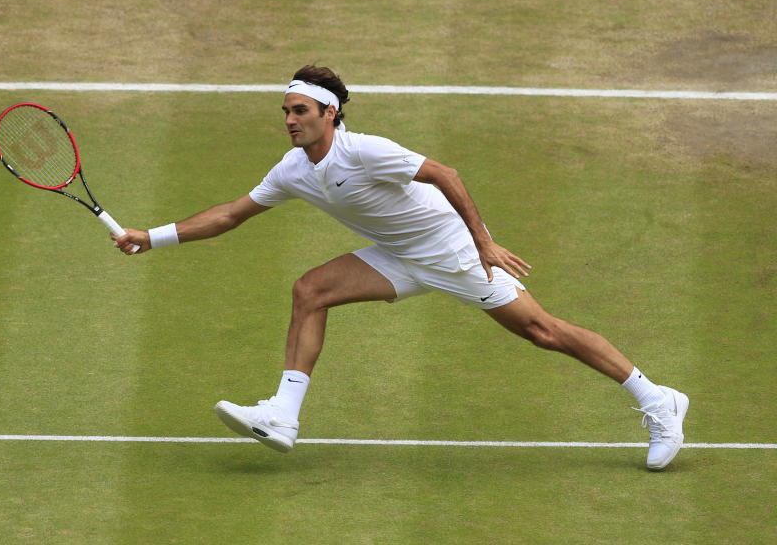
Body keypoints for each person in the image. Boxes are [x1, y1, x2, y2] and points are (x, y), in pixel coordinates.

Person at [112, 65, 689, 470]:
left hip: (450, 251)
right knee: (310, 290)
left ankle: (657, 402)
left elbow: (446, 174)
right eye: (285, 111)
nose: (289, 120)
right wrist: (153, 238)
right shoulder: (291, 169)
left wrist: (482, 243)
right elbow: (231, 215)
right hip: (399, 256)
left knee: (543, 332)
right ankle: (283, 416)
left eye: (300, 110)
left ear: (329, 113)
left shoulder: (364, 150)